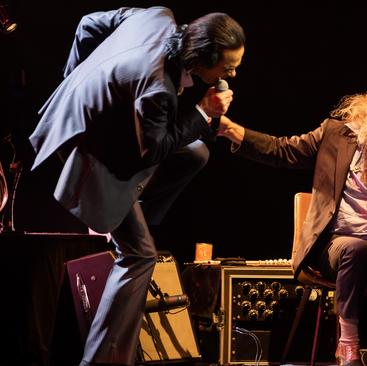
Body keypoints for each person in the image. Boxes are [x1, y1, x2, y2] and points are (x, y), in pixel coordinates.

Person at [28, 7, 245, 366]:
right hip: (92, 153)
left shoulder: (159, 17)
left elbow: (86, 24)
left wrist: (76, 78)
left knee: (195, 153)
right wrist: (204, 111)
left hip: (108, 132)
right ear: (199, 58)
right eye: (226, 68)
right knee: (140, 254)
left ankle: (131, 209)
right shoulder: (158, 87)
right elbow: (153, 150)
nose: (232, 74)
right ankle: (101, 360)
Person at [217, 69, 367, 366]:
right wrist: (233, 130)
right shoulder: (337, 134)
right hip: (336, 248)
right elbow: (283, 150)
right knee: (354, 247)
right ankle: (346, 346)